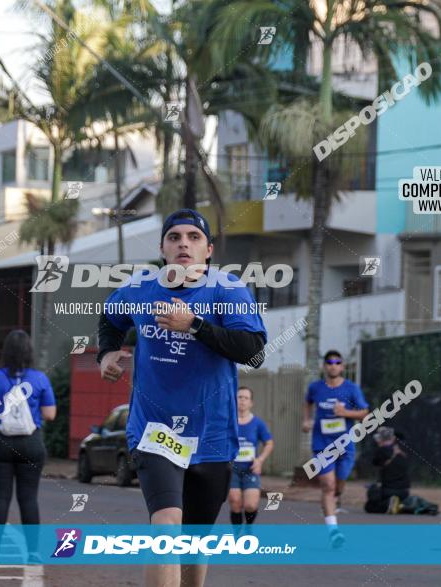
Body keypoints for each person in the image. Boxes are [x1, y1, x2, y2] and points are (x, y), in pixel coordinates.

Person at [97, 208, 267, 587]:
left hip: (212, 436)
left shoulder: (228, 289)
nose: (183, 244)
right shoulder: (141, 289)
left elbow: (253, 350)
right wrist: (106, 353)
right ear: (162, 248)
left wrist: (195, 325)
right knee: (166, 526)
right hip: (155, 431)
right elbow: (110, 318)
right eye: (175, 237)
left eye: (193, 237)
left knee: (195, 542)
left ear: (208, 249)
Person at [0, 329, 56, 564]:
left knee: (0, 497)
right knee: (29, 498)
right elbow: (50, 414)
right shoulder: (39, 378)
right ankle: (32, 553)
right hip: (31, 444)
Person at [303, 349, 369, 548]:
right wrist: (306, 420)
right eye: (329, 362)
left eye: (337, 362)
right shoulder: (315, 388)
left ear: (342, 366)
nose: (333, 365)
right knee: (328, 485)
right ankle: (333, 531)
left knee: (339, 485)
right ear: (324, 366)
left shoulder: (351, 389)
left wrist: (345, 412)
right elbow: (307, 403)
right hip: (322, 443)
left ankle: (335, 499)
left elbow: (365, 413)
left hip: (345, 443)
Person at [229, 386, 273, 528]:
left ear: (251, 403)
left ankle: (248, 529)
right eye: (239, 397)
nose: (242, 401)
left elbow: (269, 443)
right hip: (232, 469)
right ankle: (237, 536)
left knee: (250, 505)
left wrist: (260, 460)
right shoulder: (228, 422)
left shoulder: (257, 423)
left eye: (246, 398)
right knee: (235, 501)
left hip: (250, 469)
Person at [364, 427, 410, 514]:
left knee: (369, 506)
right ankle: (400, 505)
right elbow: (402, 435)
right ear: (392, 438)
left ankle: (389, 503)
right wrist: (389, 431)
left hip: (388, 491)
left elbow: (375, 463)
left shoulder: (380, 451)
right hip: (404, 491)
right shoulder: (402, 448)